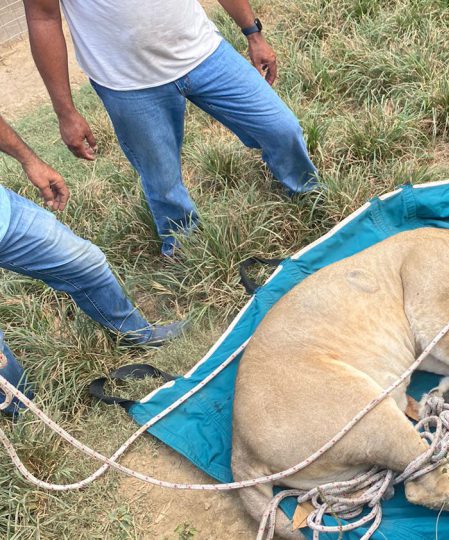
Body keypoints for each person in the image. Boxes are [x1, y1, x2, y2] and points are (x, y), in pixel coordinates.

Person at [24, 0, 320, 258]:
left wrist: (252, 32)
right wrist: (65, 111)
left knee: (282, 128)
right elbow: (43, 17)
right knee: (161, 179)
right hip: (128, 83)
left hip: (205, 54)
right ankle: (186, 247)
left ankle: (309, 194)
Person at [0, 113, 184, 414]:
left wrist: (29, 159)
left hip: (5, 216)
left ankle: (135, 335)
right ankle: (27, 418)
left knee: (85, 262)